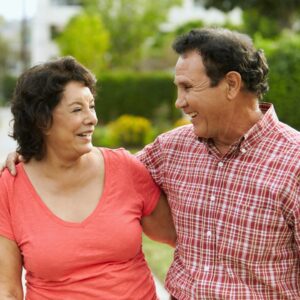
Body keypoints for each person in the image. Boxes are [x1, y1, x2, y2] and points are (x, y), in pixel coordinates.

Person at [3, 27, 300, 299]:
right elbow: (105, 176)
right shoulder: (172, 149)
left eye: (187, 87)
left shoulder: (293, 162)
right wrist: (32, 154)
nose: (178, 102)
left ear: (231, 84)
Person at [0, 56, 176, 300]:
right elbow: (7, 290)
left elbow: (180, 237)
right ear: (42, 120)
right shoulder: (11, 185)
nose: (92, 118)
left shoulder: (125, 168)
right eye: (77, 109)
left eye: (91, 106)